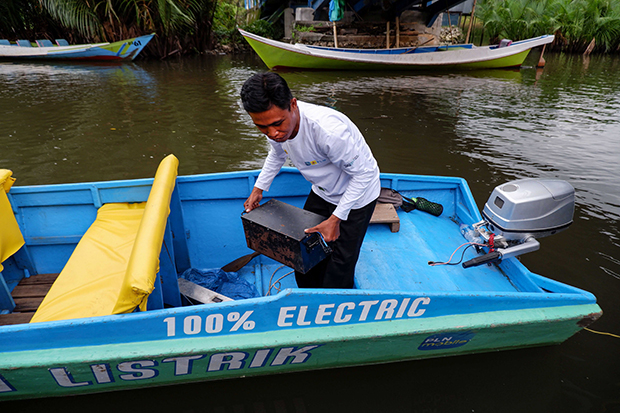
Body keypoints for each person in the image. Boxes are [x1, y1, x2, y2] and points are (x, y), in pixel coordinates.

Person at [240, 72, 380, 289]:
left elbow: (364, 175)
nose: (273, 133)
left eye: (277, 124)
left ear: (293, 105)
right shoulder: (275, 129)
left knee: (341, 262)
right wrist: (259, 188)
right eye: (262, 127)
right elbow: (277, 154)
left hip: (358, 196)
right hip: (323, 191)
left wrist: (336, 219)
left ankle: (334, 307)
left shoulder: (328, 131)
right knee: (303, 251)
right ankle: (309, 295)